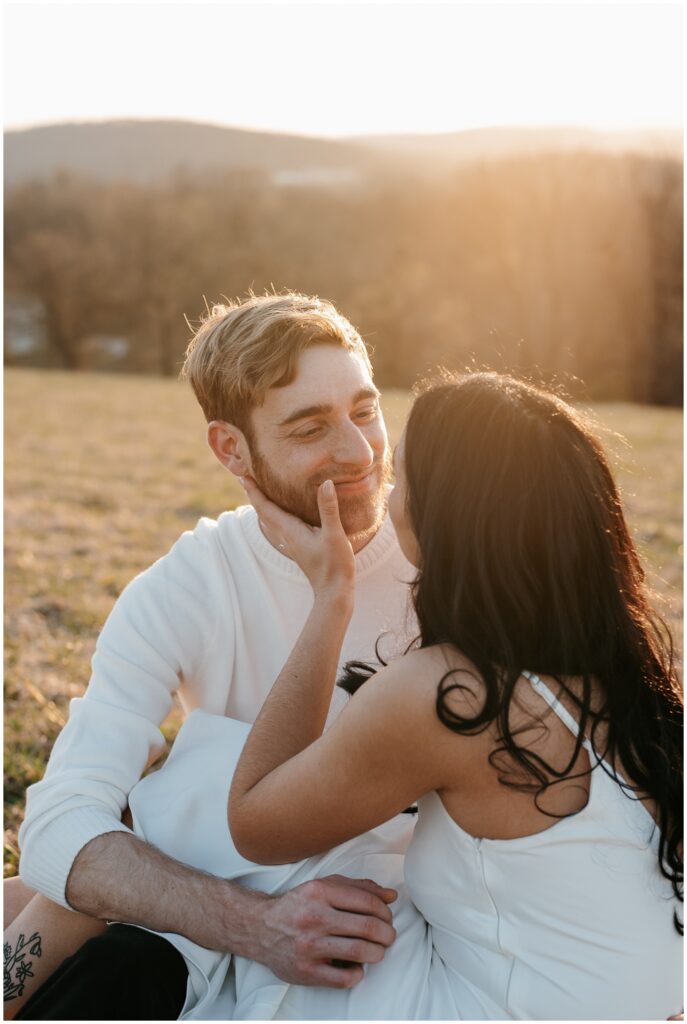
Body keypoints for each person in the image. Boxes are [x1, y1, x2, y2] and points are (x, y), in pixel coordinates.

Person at [84, 371, 682, 1019]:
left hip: (480, 1006)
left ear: (443, 514)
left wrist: (329, 599)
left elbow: (255, 825)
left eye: (408, 477)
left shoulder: (447, 693)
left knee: (206, 770)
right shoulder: (632, 676)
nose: (381, 478)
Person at [5, 292, 418, 1019]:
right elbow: (62, 823)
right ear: (231, 448)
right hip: (206, 932)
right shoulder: (190, 582)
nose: (359, 452)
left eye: (364, 409)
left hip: (385, 943)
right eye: (310, 427)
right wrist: (255, 926)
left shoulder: (451, 572)